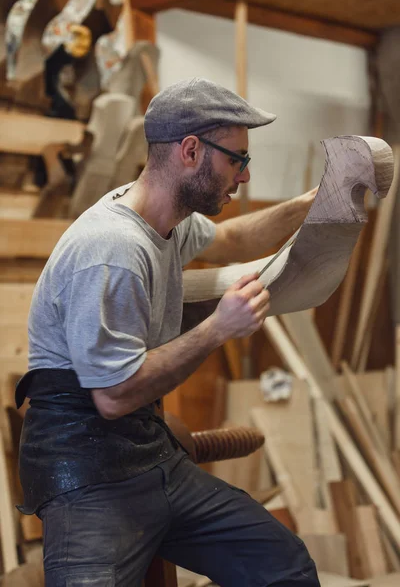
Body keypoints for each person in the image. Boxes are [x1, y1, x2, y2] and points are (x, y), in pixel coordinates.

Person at [16, 77, 320, 587]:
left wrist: (313, 202)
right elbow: (112, 397)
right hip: (86, 471)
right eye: (237, 160)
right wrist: (218, 328)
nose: (244, 176)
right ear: (190, 150)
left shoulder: (167, 220)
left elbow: (231, 238)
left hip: (148, 455)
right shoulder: (112, 248)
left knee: (284, 566)